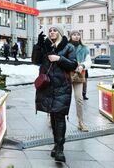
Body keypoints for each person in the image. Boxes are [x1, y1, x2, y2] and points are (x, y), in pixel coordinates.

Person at [32, 25, 77, 163]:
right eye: (50, 31)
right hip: (47, 87)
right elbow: (35, 61)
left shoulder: (68, 47)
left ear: (60, 33)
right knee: (52, 115)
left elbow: (73, 65)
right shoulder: (46, 46)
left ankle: (60, 149)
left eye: (54, 30)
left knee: (60, 116)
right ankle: (56, 144)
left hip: (62, 87)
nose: (52, 32)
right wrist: (38, 46)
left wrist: (59, 59)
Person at [69, 30, 92, 132]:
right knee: (62, 98)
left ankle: (80, 122)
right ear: (70, 36)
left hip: (78, 75)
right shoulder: (66, 46)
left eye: (78, 34)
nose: (76, 36)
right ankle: (52, 118)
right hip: (66, 75)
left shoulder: (84, 48)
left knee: (79, 99)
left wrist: (82, 65)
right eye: (74, 34)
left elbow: (89, 62)